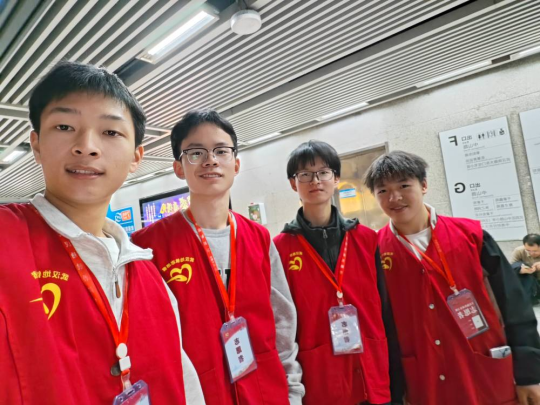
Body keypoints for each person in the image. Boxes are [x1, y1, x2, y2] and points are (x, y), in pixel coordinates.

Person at [0, 61, 205, 404]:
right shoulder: (7, 242)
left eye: (110, 132)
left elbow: (186, 385)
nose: (87, 146)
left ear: (136, 156)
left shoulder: (150, 278)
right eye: (64, 126)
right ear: (36, 144)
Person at [131, 109, 304, 405]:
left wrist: (292, 393)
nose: (210, 160)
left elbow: (283, 322)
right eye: (196, 152)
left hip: (265, 392)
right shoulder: (148, 246)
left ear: (236, 164)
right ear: (178, 167)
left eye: (221, 151)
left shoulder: (259, 238)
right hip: (199, 395)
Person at [365, 150, 540, 405]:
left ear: (424, 185)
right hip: (425, 380)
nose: (394, 197)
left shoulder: (472, 236)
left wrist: (529, 374)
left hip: (486, 373)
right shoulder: (375, 250)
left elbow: (514, 305)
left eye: (404, 186)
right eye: (383, 190)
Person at [273, 140, 404, 405]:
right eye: (305, 174)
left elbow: (386, 312)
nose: (315, 181)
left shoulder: (367, 240)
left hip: (372, 374)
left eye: (323, 172)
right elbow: (282, 326)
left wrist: (398, 381)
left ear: (336, 178)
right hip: (319, 381)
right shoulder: (280, 249)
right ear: (293, 183)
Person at [511, 234, 540, 305]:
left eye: (535, 251)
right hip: (530, 282)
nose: (531, 253)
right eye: (528, 250)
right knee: (517, 266)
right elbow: (510, 269)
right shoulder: (519, 251)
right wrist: (520, 270)